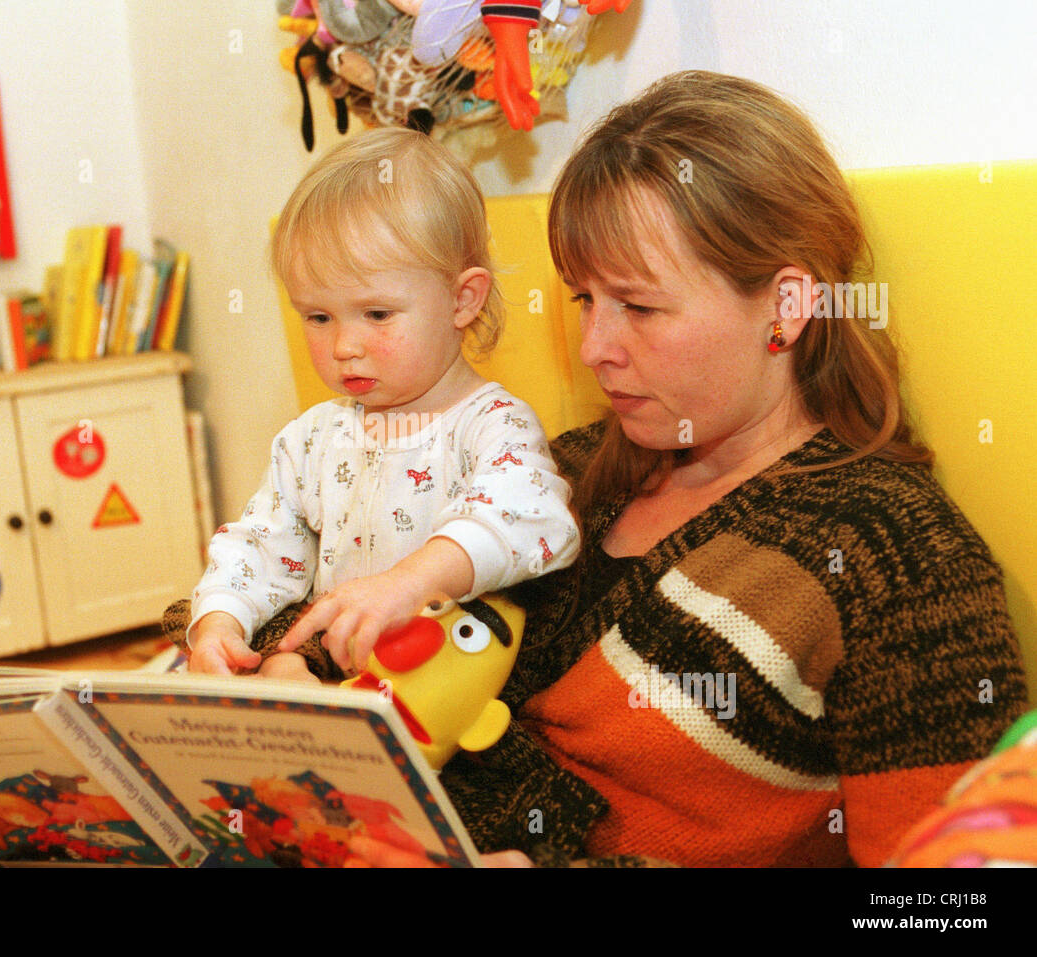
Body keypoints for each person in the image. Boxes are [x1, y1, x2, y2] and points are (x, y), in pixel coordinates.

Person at [245, 71, 1029, 867]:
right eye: (586, 300)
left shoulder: (895, 554)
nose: (595, 349)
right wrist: (284, 664)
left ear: (787, 306)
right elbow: (352, 587)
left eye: (641, 307)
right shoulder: (561, 475)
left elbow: (950, 901)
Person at [173, 127, 580, 682]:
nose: (343, 346)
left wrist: (408, 583)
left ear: (463, 299)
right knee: (276, 666)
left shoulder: (492, 425)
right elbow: (262, 542)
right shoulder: (312, 438)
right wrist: (219, 623)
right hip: (339, 665)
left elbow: (533, 520)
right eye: (318, 317)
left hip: (439, 673)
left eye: (378, 314)